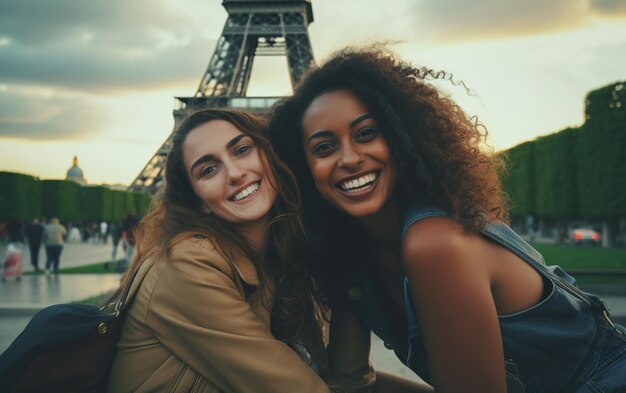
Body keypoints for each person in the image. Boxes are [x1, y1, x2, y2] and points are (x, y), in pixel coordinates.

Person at [268, 46, 626, 392]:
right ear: (303, 168)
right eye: (324, 147)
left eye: (366, 134)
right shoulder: (357, 258)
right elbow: (351, 383)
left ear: (400, 137)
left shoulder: (435, 243)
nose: (348, 158)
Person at [106, 108, 377, 393]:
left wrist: (351, 266)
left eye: (243, 149)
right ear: (198, 202)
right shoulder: (187, 264)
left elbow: (341, 382)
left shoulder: (277, 262)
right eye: (208, 170)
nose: (235, 173)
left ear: (270, 157)